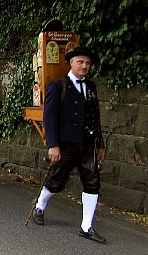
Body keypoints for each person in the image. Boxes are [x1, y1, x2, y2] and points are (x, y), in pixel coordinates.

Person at [31, 46, 107, 244]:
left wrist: (100, 144)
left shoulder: (91, 87)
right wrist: (53, 145)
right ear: (71, 62)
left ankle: (86, 227)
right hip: (65, 144)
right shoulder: (58, 85)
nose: (84, 66)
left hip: (88, 144)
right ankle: (39, 206)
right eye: (80, 62)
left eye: (88, 63)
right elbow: (49, 117)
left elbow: (95, 117)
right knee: (56, 180)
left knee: (92, 182)